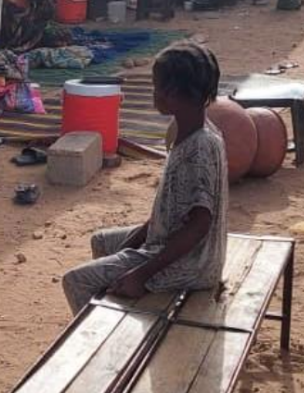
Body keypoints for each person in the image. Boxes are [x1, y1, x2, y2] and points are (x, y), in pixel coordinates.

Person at [61, 42, 228, 314]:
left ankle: (101, 334)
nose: (153, 93)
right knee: (101, 241)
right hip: (174, 243)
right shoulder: (192, 129)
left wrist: (141, 274)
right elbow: (173, 208)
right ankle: (113, 311)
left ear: (173, 93)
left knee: (76, 281)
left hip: (192, 265)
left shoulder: (198, 149)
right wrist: (131, 246)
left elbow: (199, 225)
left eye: (155, 86)